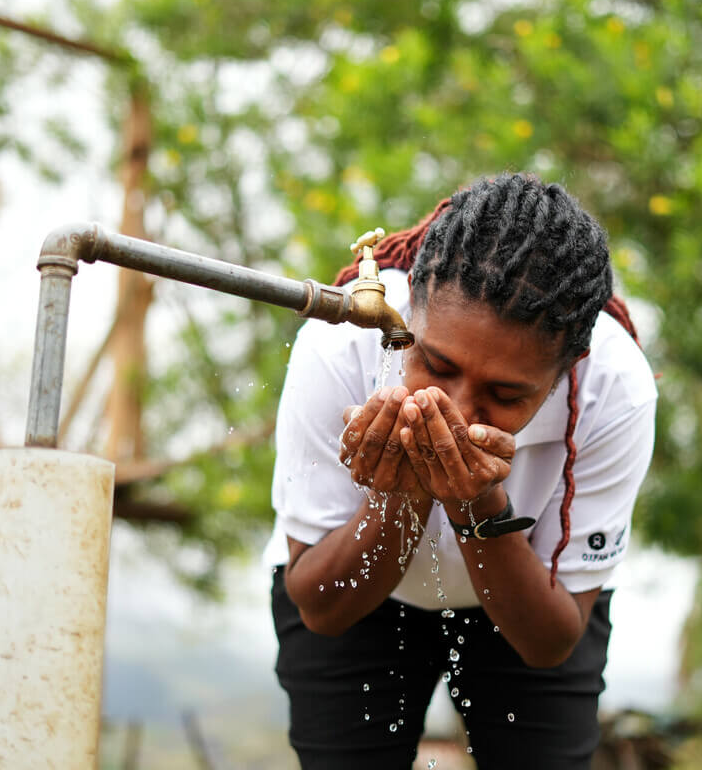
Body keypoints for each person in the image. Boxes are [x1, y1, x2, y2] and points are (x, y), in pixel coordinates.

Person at [262, 173, 657, 768]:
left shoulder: (614, 389)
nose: (460, 410)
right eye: (437, 364)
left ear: (569, 367)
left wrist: (477, 504)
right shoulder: (343, 340)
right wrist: (405, 493)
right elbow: (321, 607)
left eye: (505, 393)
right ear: (410, 308)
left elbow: (551, 642)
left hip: (525, 600)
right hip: (359, 597)